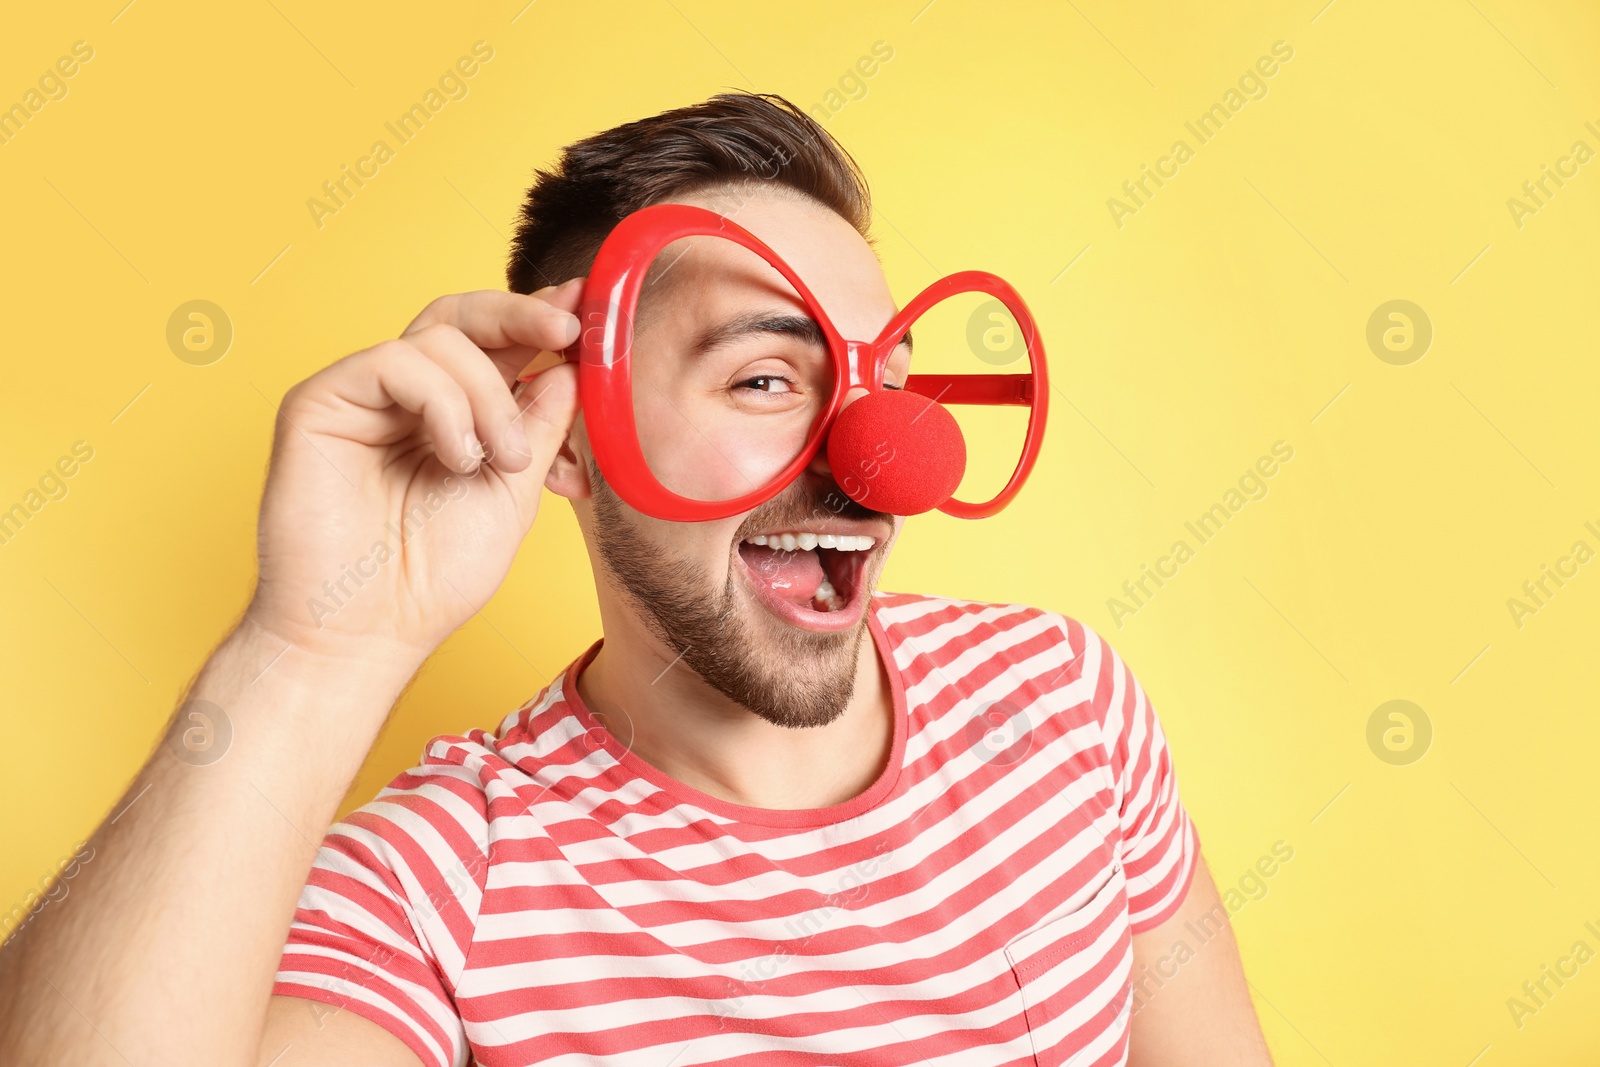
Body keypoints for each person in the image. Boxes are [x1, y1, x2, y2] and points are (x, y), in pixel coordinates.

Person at [0, 92, 1272, 1066]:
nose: (879, 459)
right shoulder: (443, 881)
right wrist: (309, 650)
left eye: (882, 378)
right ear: (566, 436)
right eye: (767, 378)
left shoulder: (1061, 698)